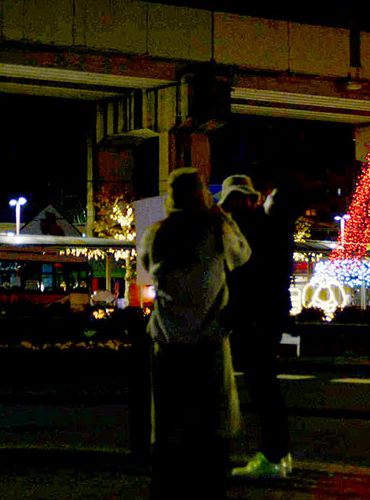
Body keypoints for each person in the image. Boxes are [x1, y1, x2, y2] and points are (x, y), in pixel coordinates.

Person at [140, 167, 251, 500]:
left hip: (168, 341)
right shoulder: (217, 228)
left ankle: (167, 488)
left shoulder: (157, 233)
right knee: (211, 426)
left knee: (169, 428)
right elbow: (243, 255)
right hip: (209, 341)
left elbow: (146, 265)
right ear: (203, 193)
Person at [224, 171, 301, 478]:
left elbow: (241, 273)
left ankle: (273, 456)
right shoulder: (278, 230)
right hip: (269, 315)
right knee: (266, 386)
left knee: (262, 387)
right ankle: (278, 455)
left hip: (255, 317)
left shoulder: (251, 228)